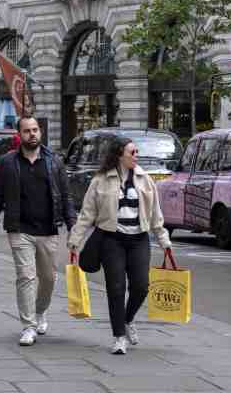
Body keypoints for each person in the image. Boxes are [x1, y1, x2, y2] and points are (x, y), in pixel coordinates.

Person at [68, 137, 172, 355]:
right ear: (119, 155)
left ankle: (127, 319)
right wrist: (75, 240)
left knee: (141, 286)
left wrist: (164, 241)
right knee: (115, 289)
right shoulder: (101, 180)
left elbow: (155, 214)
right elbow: (88, 213)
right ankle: (118, 337)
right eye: (132, 152)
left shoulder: (145, 179)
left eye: (136, 152)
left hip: (139, 239)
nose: (136, 156)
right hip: (111, 239)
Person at [0, 116, 76, 347]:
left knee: (48, 278)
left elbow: (65, 196)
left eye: (35, 130)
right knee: (25, 276)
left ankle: (40, 311)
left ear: (40, 133)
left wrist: (74, 228)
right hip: (19, 229)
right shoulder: (7, 162)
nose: (32, 134)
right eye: (27, 131)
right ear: (19, 135)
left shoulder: (54, 161)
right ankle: (28, 326)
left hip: (48, 229)